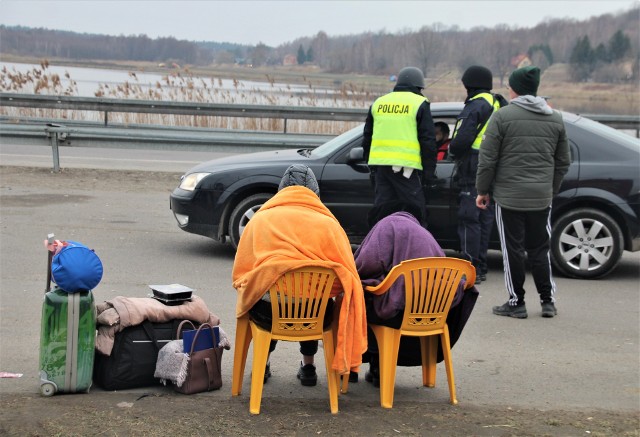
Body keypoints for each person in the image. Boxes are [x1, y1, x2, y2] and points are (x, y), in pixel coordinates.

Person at [232, 164, 367, 386]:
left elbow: (241, 274)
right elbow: (348, 277)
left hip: (269, 314)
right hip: (316, 315)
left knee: (269, 295)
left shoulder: (261, 219)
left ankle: (262, 363)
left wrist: (271, 278)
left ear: (282, 190)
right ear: (315, 193)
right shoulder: (329, 225)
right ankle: (309, 367)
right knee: (311, 299)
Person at [476, 66, 571, 319]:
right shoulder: (555, 118)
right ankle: (548, 301)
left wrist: (482, 190)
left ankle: (517, 302)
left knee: (513, 250)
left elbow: (487, 159)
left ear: (514, 89)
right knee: (541, 249)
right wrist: (550, 189)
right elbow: (563, 162)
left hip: (508, 198)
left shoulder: (502, 117)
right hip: (542, 198)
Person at [353, 200, 479, 385]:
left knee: (358, 299)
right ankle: (382, 369)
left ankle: (360, 368)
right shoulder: (426, 235)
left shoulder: (387, 226)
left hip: (396, 313)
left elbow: (366, 265)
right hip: (432, 315)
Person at [449, 65, 507, 285]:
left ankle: (469, 268)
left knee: (468, 218)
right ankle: (480, 267)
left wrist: (452, 150)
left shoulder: (475, 106)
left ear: (470, 84)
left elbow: (460, 142)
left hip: (473, 168)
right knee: (484, 218)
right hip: (493, 168)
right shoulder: (498, 104)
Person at [362, 66, 438, 224]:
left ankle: (380, 244)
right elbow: (428, 141)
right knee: (416, 212)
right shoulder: (419, 103)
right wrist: (429, 172)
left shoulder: (379, 102)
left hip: (381, 168)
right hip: (407, 170)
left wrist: (370, 164)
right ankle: (416, 246)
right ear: (419, 87)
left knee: (382, 212)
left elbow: (367, 137)